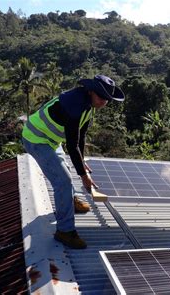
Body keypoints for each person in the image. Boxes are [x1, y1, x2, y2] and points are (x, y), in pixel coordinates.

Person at [22, 75, 125, 249]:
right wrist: (84, 176)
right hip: (36, 139)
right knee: (63, 180)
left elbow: (80, 136)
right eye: (101, 97)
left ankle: (68, 202)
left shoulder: (89, 104)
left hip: (51, 140)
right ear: (91, 91)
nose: (104, 102)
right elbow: (71, 144)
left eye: (107, 99)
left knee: (68, 170)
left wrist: (82, 161)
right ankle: (65, 231)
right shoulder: (74, 104)